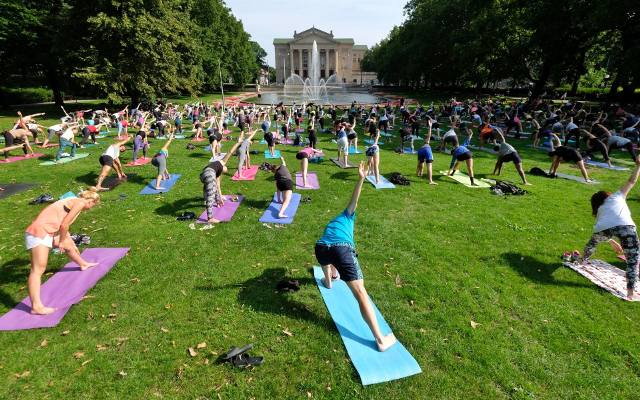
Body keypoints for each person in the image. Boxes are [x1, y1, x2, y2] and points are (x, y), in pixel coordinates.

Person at [315, 161, 397, 352]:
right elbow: (354, 201)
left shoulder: (329, 227)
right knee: (360, 292)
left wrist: (330, 280)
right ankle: (380, 339)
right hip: (341, 249)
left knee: (330, 267)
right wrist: (361, 178)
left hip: (321, 248)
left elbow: (328, 266)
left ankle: (332, 277)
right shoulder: (347, 216)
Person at [24, 188, 101, 314]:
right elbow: (64, 225)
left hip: (46, 232)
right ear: (91, 200)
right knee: (37, 270)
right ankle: (36, 307)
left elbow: (63, 221)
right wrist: (62, 241)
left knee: (69, 244)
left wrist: (67, 240)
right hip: (39, 233)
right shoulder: (80, 203)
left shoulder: (72, 200)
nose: (91, 208)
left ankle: (83, 264)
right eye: (93, 205)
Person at [579, 162, 640, 300]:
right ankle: (630, 293)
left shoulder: (600, 210)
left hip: (604, 228)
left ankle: (583, 260)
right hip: (626, 227)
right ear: (607, 195)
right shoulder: (617, 196)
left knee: (592, 244)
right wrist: (639, 165)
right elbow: (632, 180)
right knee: (633, 261)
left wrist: (612, 240)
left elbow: (607, 228)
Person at [200, 140, 242, 223]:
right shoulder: (222, 162)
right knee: (211, 195)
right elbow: (230, 152)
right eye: (225, 170)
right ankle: (210, 218)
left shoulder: (217, 169)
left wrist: (219, 198)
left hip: (202, 175)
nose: (224, 171)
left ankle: (207, 200)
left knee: (209, 188)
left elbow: (217, 186)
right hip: (209, 174)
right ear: (224, 167)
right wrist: (238, 143)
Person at [417, 120, 436, 184]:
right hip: (427, 149)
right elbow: (429, 134)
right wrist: (430, 126)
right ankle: (430, 181)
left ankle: (419, 173)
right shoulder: (427, 142)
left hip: (420, 150)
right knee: (429, 165)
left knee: (420, 162)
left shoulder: (422, 145)